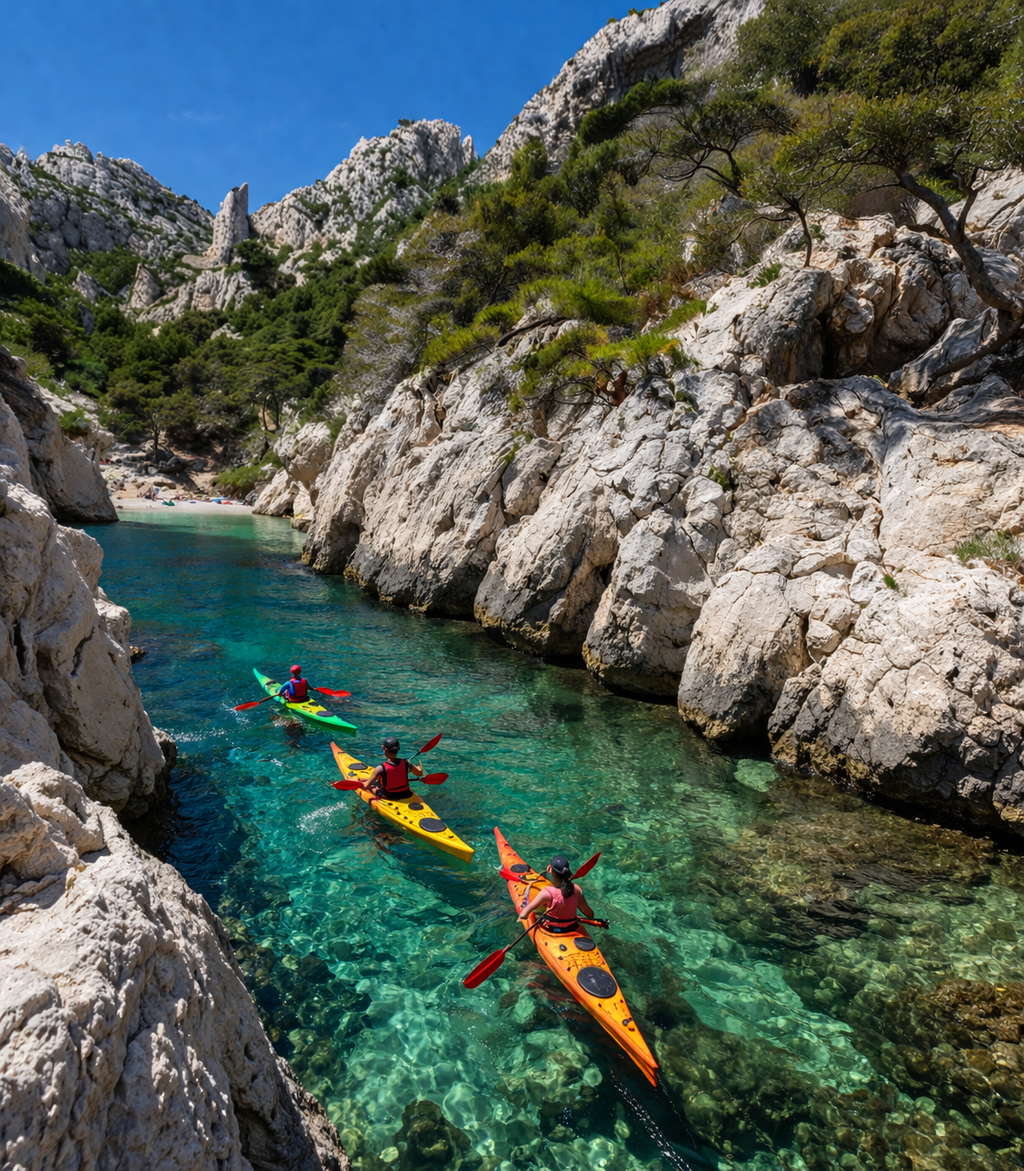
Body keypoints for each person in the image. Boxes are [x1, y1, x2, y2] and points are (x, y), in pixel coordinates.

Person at [518, 855, 595, 934]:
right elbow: (589, 913)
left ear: (549, 869)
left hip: (551, 929)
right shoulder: (576, 889)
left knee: (538, 910)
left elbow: (524, 913)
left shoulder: (547, 892)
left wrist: (522, 917)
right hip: (572, 927)